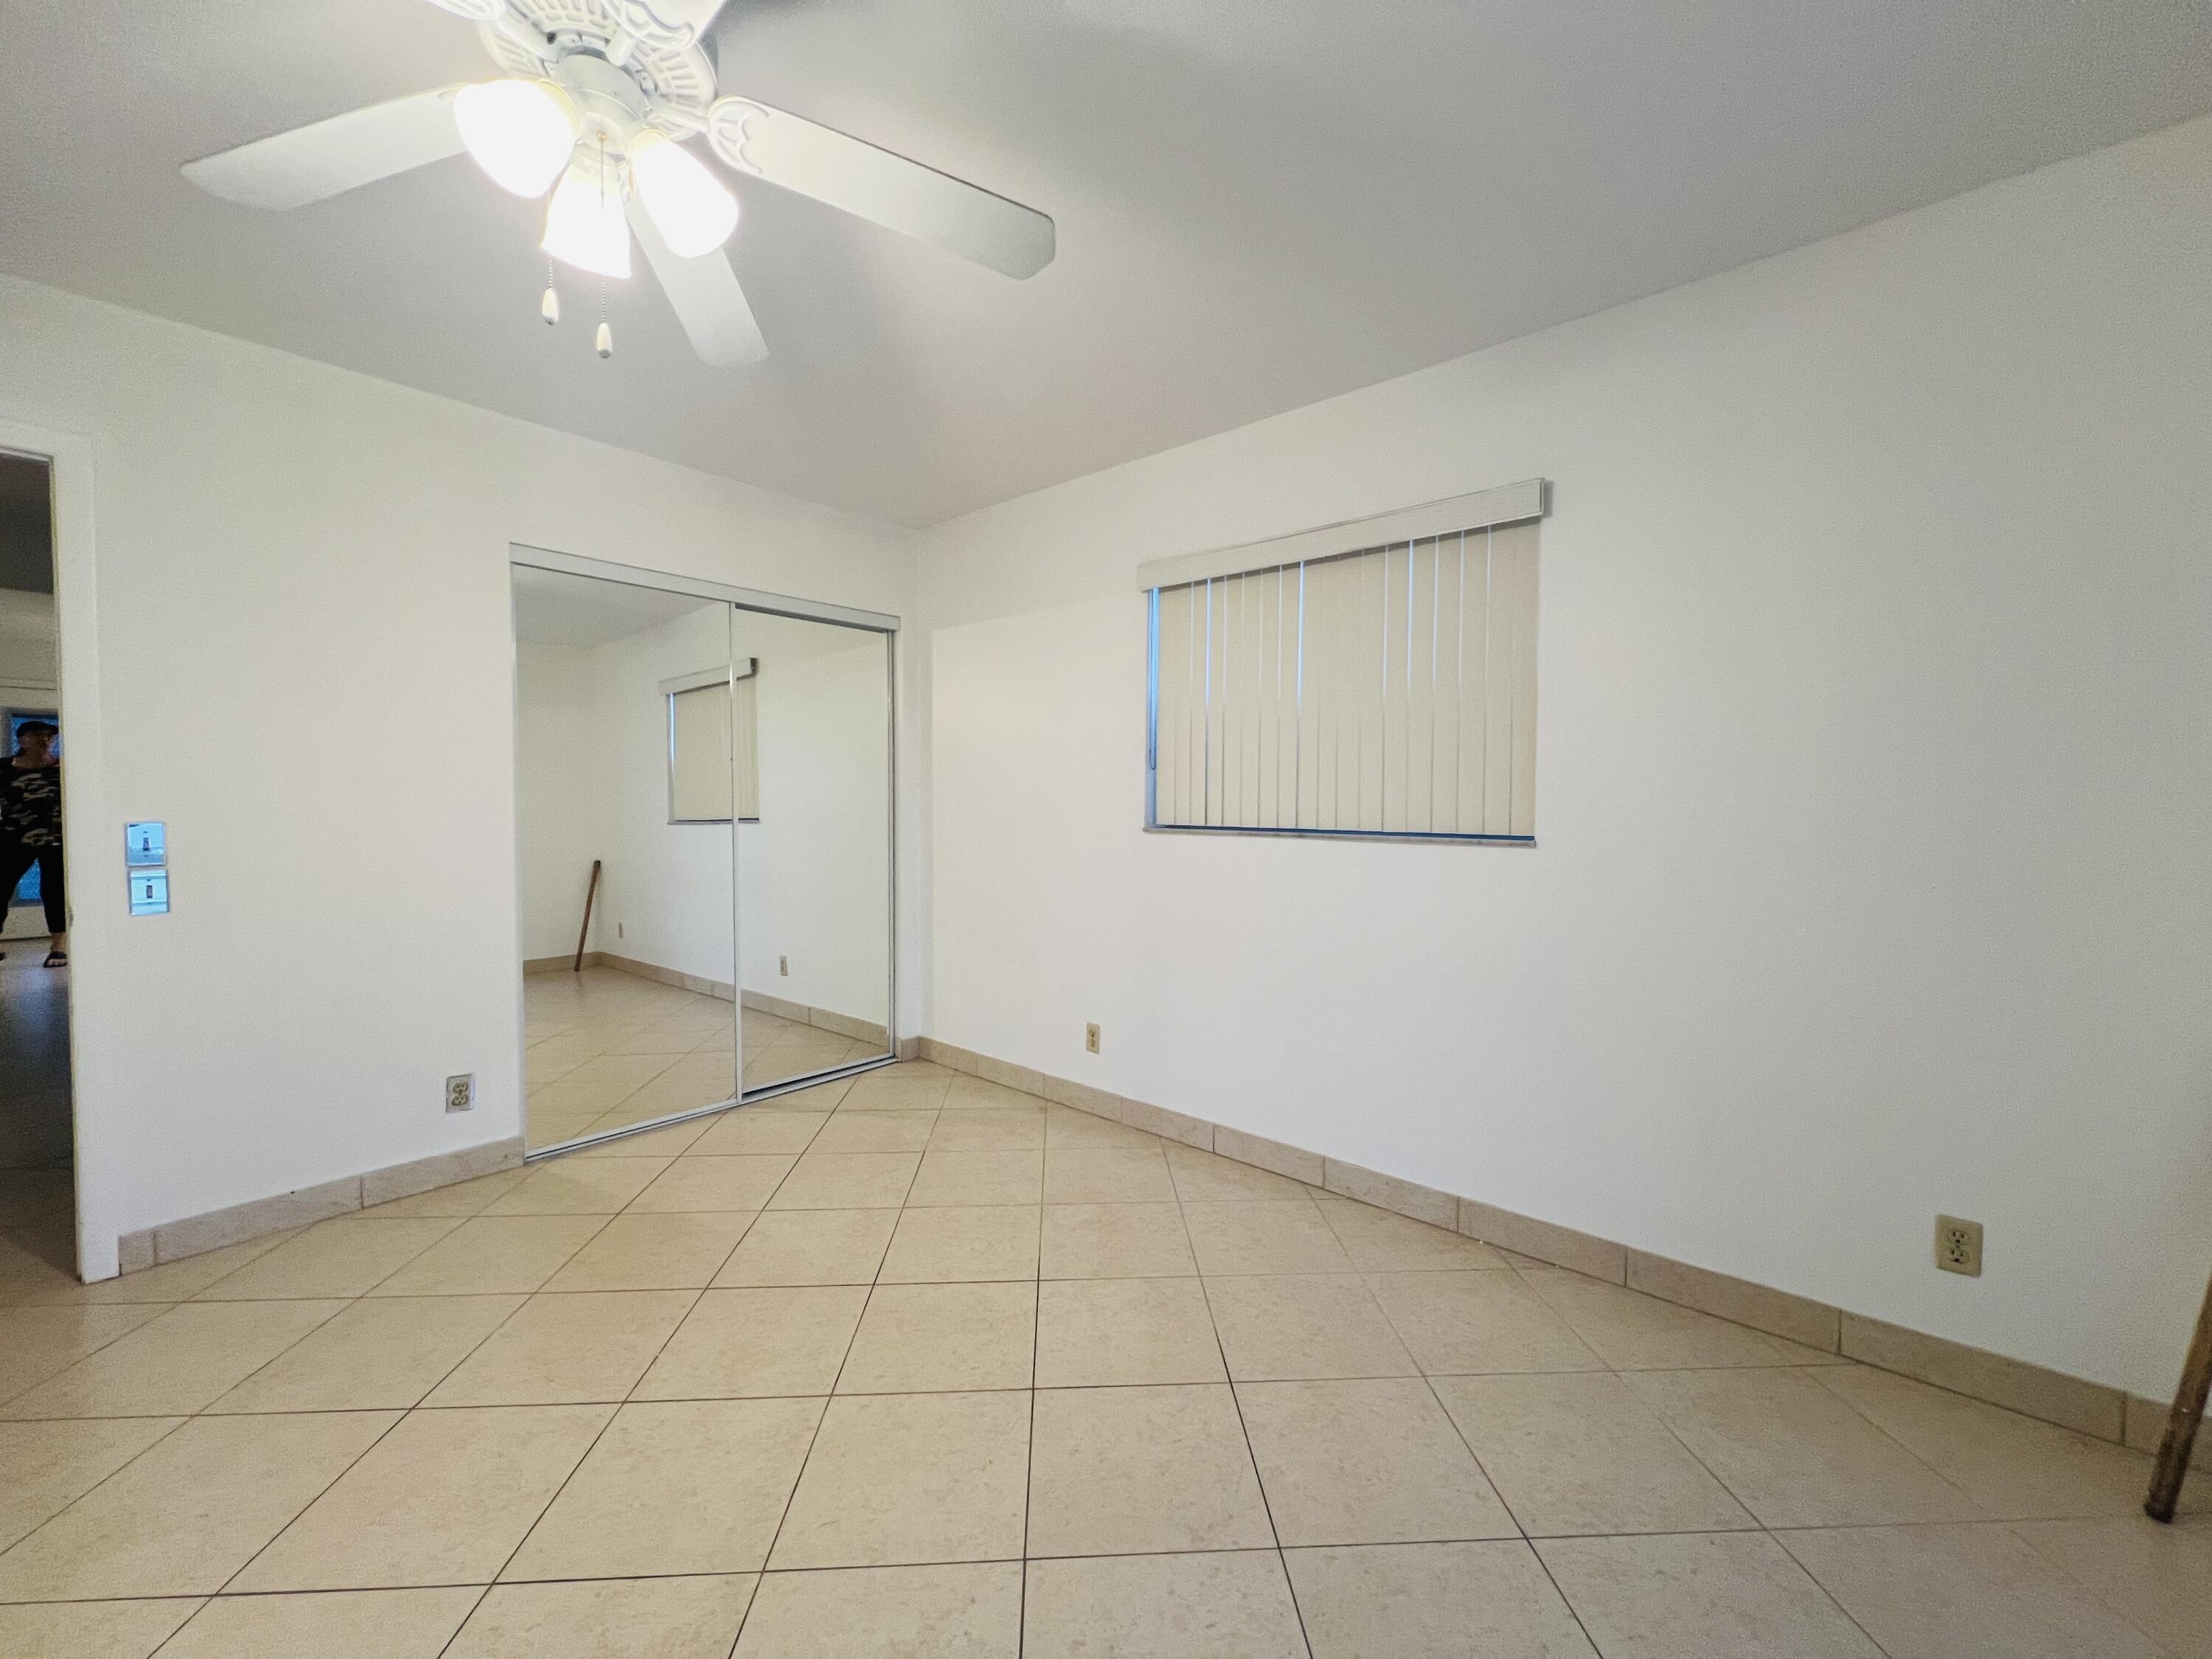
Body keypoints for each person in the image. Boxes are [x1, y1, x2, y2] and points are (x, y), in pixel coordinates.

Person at [0, 720, 66, 967]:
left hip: (54, 840)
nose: (45, 741)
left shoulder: (62, 768)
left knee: (54, 890)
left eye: (50, 737)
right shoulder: (5, 768)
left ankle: (58, 945)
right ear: (22, 739)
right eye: (38, 735)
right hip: (11, 839)